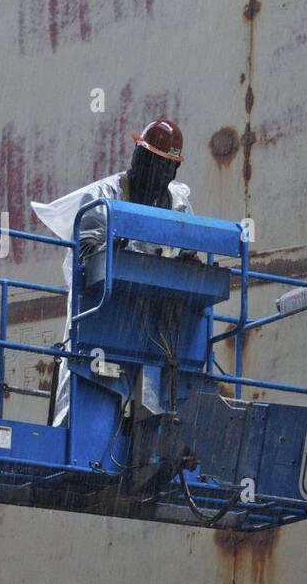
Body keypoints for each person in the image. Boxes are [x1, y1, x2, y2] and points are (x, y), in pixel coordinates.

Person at [30, 119, 194, 425]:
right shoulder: (104, 198)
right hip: (100, 318)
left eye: (169, 167)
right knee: (84, 401)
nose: (161, 174)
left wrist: (188, 261)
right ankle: (71, 431)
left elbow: (189, 245)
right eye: (155, 163)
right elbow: (87, 251)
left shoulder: (177, 204)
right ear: (139, 158)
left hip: (154, 328)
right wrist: (110, 250)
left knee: (155, 398)